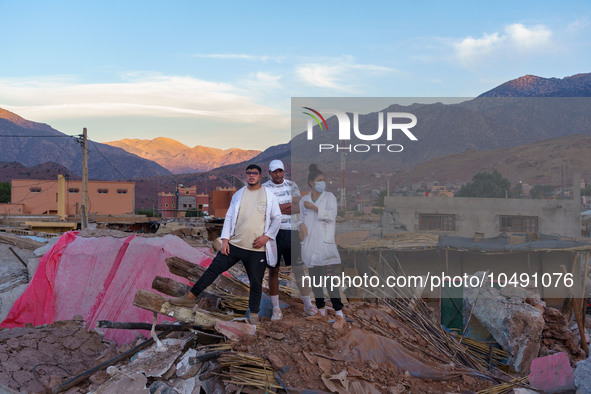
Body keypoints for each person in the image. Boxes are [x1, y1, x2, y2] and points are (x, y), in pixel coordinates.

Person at [169, 164, 282, 325]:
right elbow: (229, 217)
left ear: (260, 176)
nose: (251, 176)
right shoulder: (239, 194)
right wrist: (224, 240)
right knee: (213, 269)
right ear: (246, 175)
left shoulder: (268, 195)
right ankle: (190, 297)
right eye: (248, 173)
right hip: (235, 245)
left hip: (257, 249)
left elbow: (277, 218)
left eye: (254, 173)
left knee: (256, 282)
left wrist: (267, 237)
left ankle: (254, 316)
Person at [263, 159, 317, 320]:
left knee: (299, 269)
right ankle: (276, 309)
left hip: (292, 231)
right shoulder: (264, 188)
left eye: (280, 171)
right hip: (273, 234)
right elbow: (266, 211)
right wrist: (284, 208)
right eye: (274, 171)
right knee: (273, 270)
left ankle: (308, 306)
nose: (277, 174)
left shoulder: (291, 185)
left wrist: (276, 209)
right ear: (269, 173)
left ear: (284, 172)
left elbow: (296, 206)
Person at [299, 164, 345, 330]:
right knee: (315, 281)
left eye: (323, 180)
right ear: (311, 183)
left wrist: (316, 208)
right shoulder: (304, 200)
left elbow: (332, 216)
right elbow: (301, 219)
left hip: (325, 246)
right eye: (319, 181)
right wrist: (301, 226)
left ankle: (339, 315)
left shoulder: (329, 197)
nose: (322, 183)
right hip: (310, 246)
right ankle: (321, 311)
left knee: (330, 280)